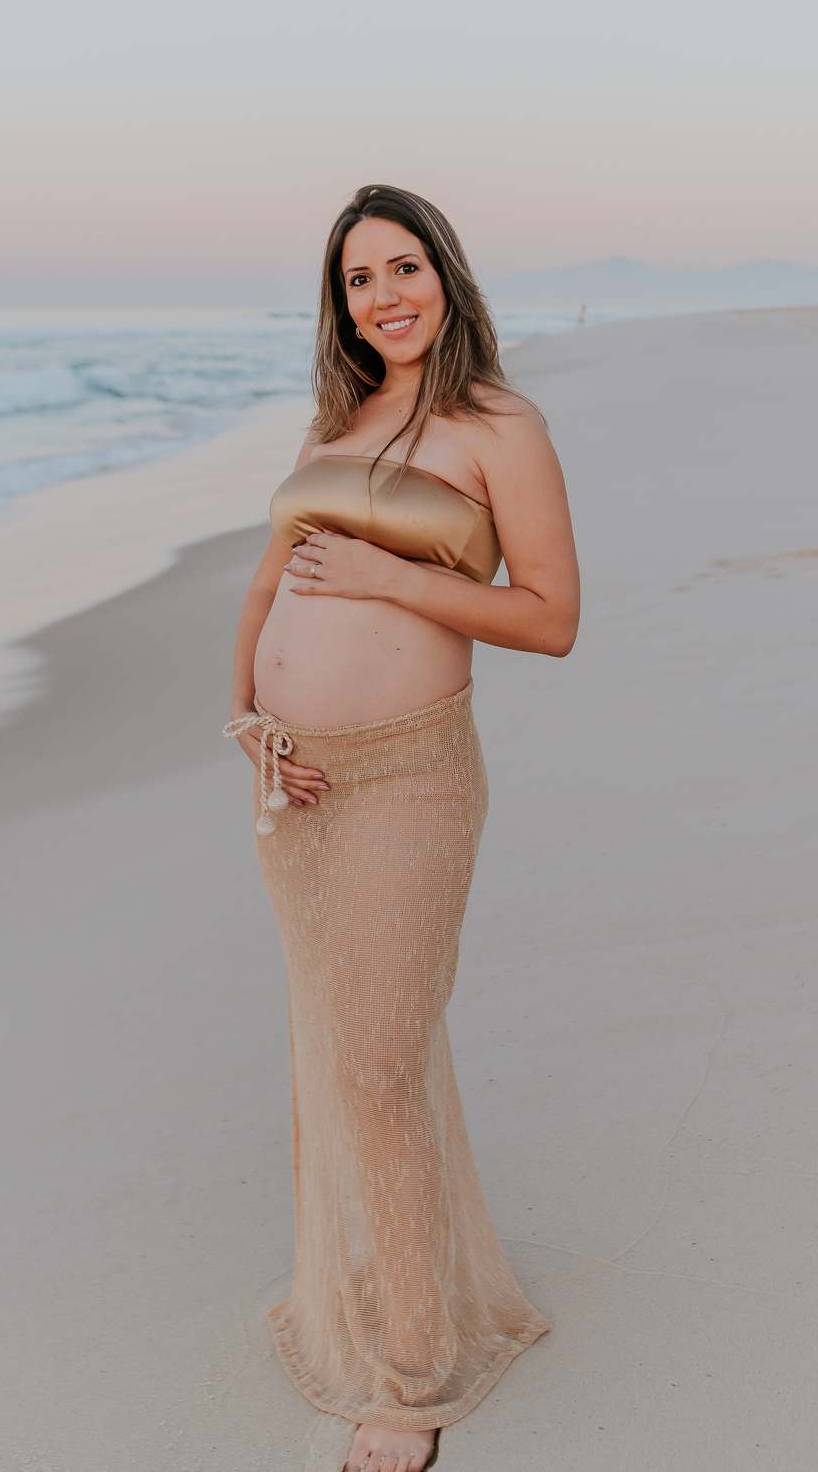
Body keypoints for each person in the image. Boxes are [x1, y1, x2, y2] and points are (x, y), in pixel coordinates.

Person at [226, 185, 580, 1472]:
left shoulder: (501, 424)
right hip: (293, 782)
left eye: (403, 266)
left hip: (412, 777)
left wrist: (390, 576)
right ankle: (366, 1286)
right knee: (329, 1044)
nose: (385, 295)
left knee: (378, 1056)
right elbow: (270, 576)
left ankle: (416, 1370)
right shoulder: (341, 419)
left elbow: (550, 615)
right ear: (344, 306)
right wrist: (247, 721)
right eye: (359, 279)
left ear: (448, 275)